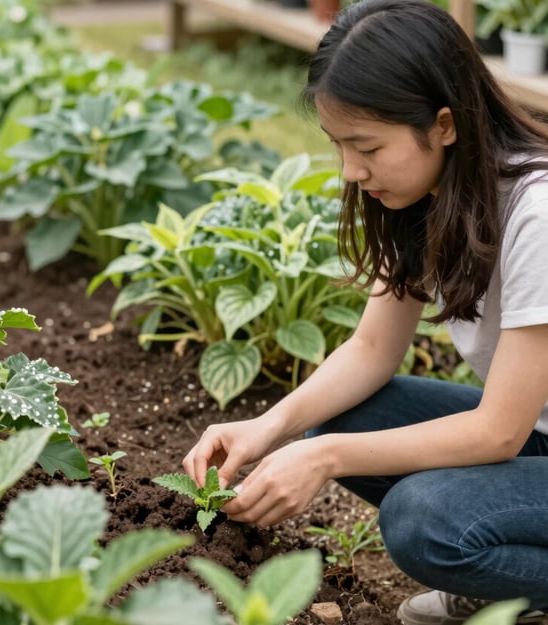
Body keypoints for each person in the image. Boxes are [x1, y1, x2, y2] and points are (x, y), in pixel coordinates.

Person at [182, 1, 548, 624]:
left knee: (423, 519)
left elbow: (498, 433)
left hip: (522, 433)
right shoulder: (426, 195)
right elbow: (374, 350)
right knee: (341, 417)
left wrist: (323, 460)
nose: (352, 171)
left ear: (444, 125)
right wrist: (268, 429)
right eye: (339, 145)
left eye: (367, 146)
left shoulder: (536, 212)